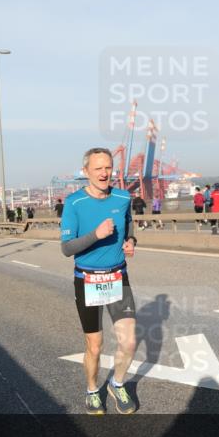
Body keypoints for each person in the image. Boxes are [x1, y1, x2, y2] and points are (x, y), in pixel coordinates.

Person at [61, 147, 138, 415]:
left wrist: (131, 241)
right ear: (86, 172)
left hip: (118, 276)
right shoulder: (74, 203)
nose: (104, 173)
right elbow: (67, 248)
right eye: (98, 168)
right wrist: (96, 234)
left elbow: (128, 226)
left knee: (129, 342)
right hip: (87, 281)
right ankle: (93, 389)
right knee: (95, 346)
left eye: (108, 168)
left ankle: (117, 384)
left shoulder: (123, 196)